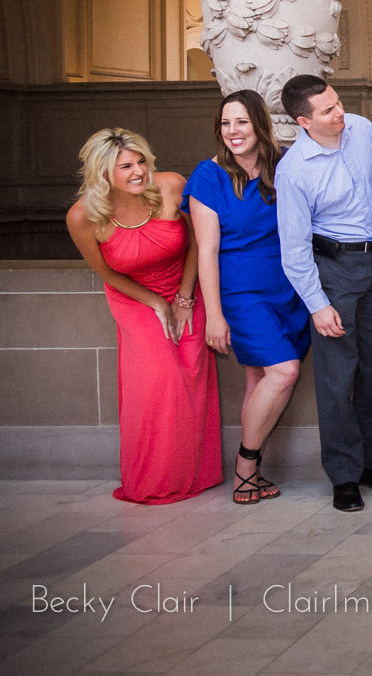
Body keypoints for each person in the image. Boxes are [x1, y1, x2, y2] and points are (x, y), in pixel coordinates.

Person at [66, 128, 221, 504]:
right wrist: (154, 302)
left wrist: (184, 297)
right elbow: (106, 273)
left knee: (192, 372)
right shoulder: (83, 215)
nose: (138, 172)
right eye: (126, 167)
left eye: (141, 162)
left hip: (183, 288)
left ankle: (195, 475)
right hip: (134, 297)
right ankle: (155, 480)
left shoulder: (170, 185)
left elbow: (197, 242)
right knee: (160, 382)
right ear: (104, 174)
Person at [274, 76, 372, 512]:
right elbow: (292, 251)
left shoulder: (362, 129)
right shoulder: (293, 171)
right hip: (332, 270)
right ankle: (344, 476)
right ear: (303, 121)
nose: (339, 113)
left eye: (338, 103)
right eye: (328, 110)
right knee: (336, 378)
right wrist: (319, 305)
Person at [186, 90, 307, 505]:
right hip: (240, 290)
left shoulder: (286, 161)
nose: (233, 131)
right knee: (284, 371)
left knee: (259, 380)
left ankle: (252, 473)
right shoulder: (208, 175)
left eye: (240, 122)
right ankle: (245, 465)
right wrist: (214, 315)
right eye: (225, 123)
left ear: (259, 123)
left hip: (288, 286)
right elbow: (206, 251)